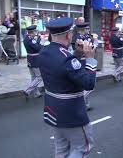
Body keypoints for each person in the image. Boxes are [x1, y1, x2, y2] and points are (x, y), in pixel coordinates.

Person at [38, 17, 97, 158]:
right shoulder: (66, 58)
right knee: (82, 147)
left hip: (53, 109)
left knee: (61, 149)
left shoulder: (44, 52)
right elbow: (88, 83)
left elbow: (64, 70)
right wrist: (90, 58)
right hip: (71, 113)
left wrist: (76, 54)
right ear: (68, 35)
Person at [71, 22, 94, 111]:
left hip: (87, 59)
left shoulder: (86, 37)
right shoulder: (77, 38)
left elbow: (92, 46)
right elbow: (79, 50)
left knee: (85, 85)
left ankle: (86, 104)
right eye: (87, 29)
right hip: (81, 61)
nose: (88, 30)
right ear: (83, 29)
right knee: (88, 83)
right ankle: (80, 102)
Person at [22, 25, 43, 100]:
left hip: (30, 58)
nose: (36, 33)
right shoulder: (31, 39)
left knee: (34, 77)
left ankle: (36, 93)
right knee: (39, 77)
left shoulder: (26, 38)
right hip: (35, 59)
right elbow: (38, 48)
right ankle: (27, 90)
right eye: (35, 31)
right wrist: (39, 40)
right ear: (32, 32)